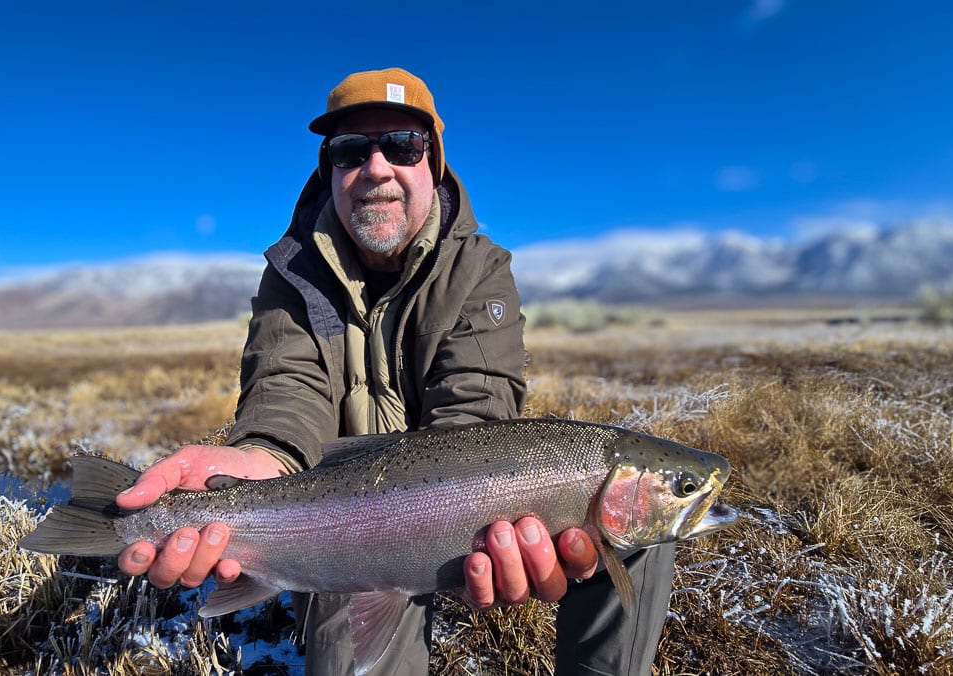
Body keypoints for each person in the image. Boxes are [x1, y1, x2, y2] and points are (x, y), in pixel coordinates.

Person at [114, 67, 676, 675]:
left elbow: (476, 419)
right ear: (330, 169)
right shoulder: (291, 274)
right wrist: (261, 460)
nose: (376, 167)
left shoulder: (480, 269)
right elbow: (285, 393)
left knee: (640, 534)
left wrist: (489, 517)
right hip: (333, 510)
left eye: (403, 146)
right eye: (351, 150)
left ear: (432, 162)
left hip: (455, 508)